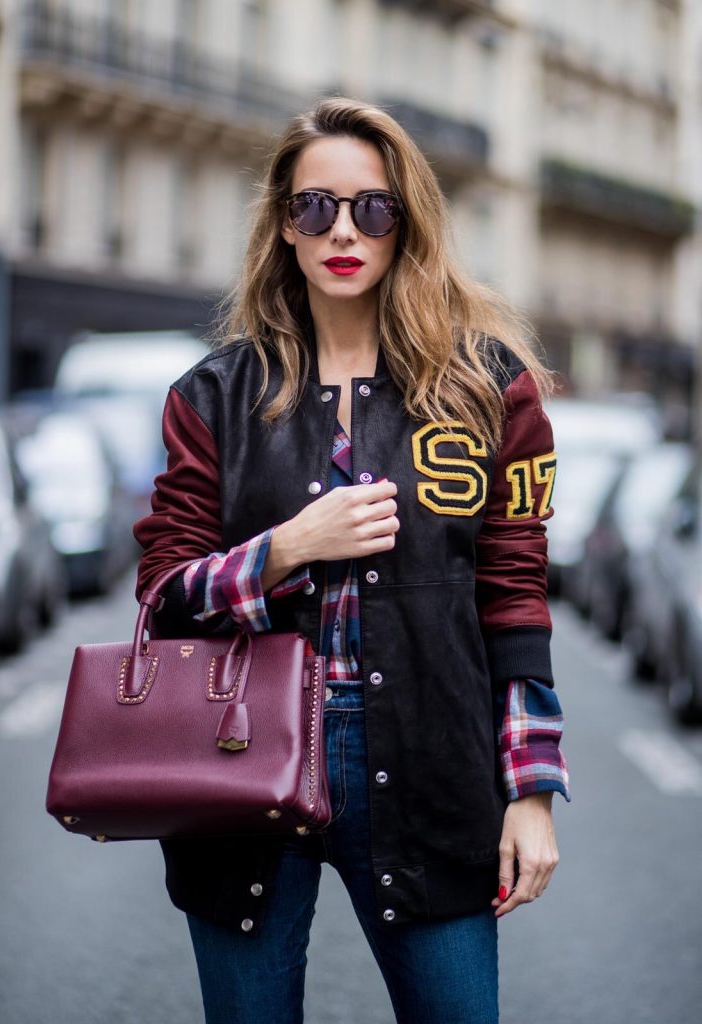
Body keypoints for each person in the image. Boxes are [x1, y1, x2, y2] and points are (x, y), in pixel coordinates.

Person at [133, 96, 570, 1024]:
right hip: (241, 759)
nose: (343, 230)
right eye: (313, 207)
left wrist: (529, 791)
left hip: (428, 762)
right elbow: (163, 600)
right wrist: (288, 549)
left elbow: (514, 593)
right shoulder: (211, 397)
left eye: (372, 208)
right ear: (282, 226)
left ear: (407, 223)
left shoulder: (490, 391)